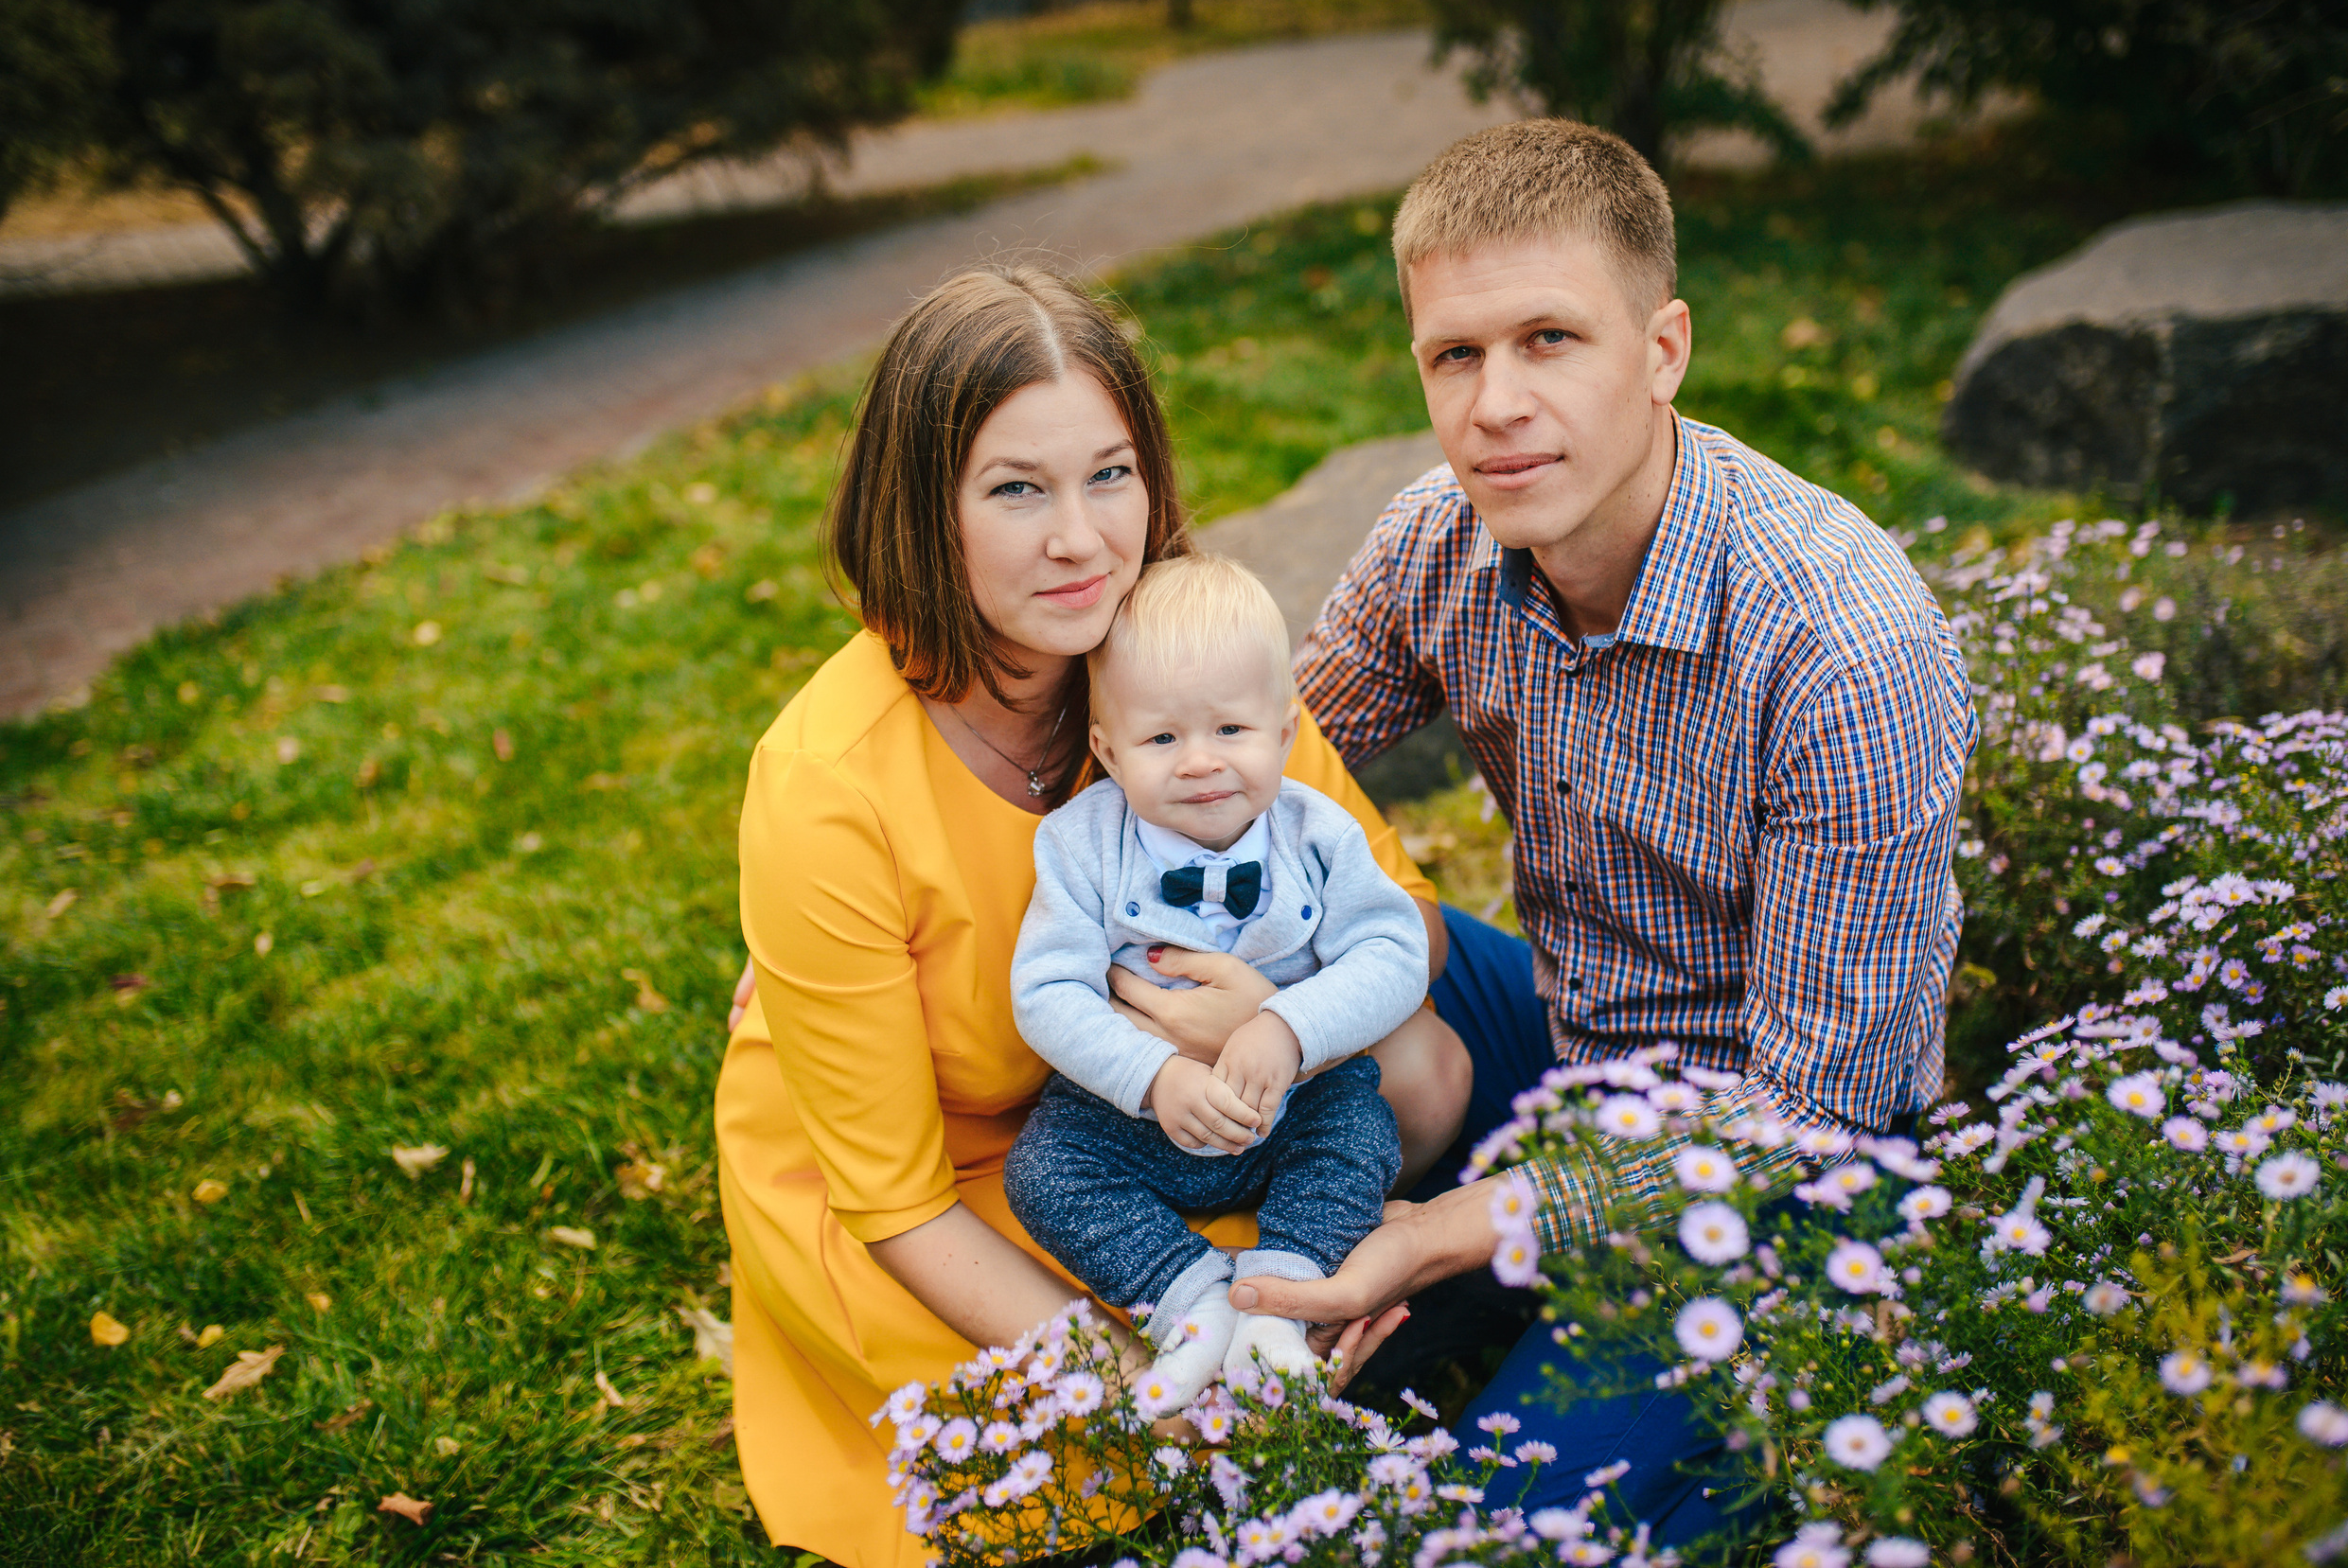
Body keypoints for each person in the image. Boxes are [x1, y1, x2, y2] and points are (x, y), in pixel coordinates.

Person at [1227, 118, 1978, 1542]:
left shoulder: (1845, 643)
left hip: (1786, 1169)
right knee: (1299, 950)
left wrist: (1439, 1234)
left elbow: (1808, 1120)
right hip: (1561, 1037)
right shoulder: (1436, 542)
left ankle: (1459, 1300)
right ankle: (1201, 1274)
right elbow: (1244, 769)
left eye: (1551, 339)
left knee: (1510, 1523)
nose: (1496, 403)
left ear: (1664, 350)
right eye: (1456, 355)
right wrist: (952, 900)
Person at [713, 263, 1470, 1567]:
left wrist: (1271, 1013)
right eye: (1017, 488)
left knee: (1417, 1060)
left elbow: (1406, 919)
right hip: (956, 1178)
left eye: (1109, 475)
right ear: (923, 509)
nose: (1082, 540)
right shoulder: (828, 786)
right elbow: (898, 1207)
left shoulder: (1176, 664)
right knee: (1107, 1452)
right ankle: (1223, 1335)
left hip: (1192, 1105)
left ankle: (1290, 1290)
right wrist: (1131, 1387)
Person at [1004, 554, 1430, 1400]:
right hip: (1130, 1116)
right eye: (1162, 738)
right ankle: (1188, 1299)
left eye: (1230, 731)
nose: (1200, 762)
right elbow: (1046, 989)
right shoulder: (1079, 843)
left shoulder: (1317, 835)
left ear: (1282, 732)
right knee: (1043, 1170)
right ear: (1109, 749)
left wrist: (1287, 1025)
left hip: (1292, 1100)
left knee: (1360, 1134)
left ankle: (1279, 1297)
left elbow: (1396, 952)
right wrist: (1150, 1074)